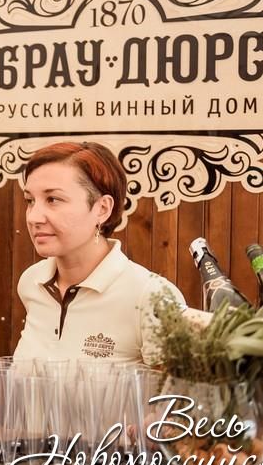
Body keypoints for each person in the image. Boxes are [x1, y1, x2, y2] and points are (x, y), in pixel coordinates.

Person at [12, 141, 184, 365]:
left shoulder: (150, 295)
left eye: (53, 199)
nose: (34, 217)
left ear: (102, 209)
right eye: (30, 201)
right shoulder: (31, 282)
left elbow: (176, 387)